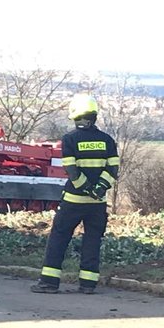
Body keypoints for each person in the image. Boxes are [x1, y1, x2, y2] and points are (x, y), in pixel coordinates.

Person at [31, 94, 119, 294]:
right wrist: (98, 188)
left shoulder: (70, 140)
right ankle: (88, 284)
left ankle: (49, 283)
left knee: (59, 238)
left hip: (73, 200)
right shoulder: (107, 140)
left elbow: (71, 170)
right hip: (97, 204)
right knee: (93, 240)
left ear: (76, 116)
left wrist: (86, 187)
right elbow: (113, 170)